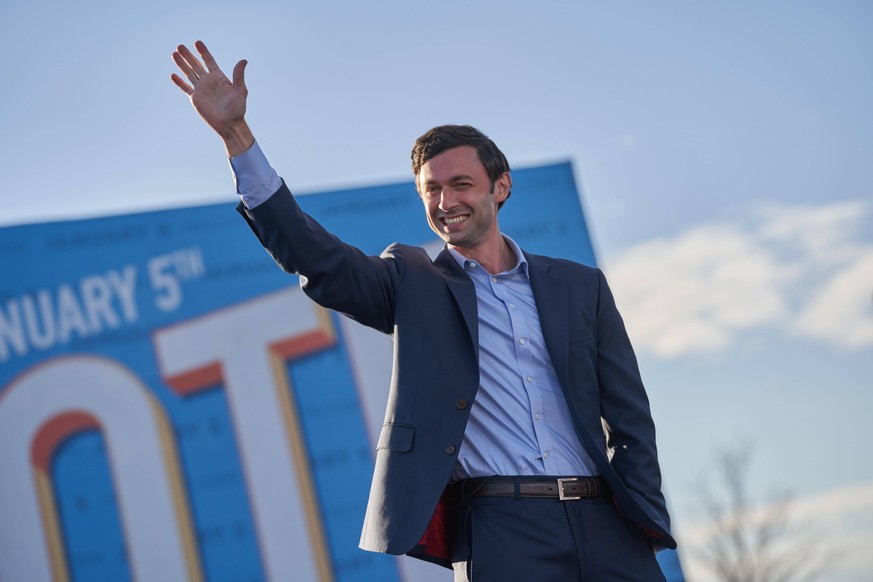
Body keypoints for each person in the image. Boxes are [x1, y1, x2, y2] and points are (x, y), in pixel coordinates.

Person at [171, 40, 676, 581]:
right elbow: (313, 256)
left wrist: (640, 510)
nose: (445, 202)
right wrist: (237, 138)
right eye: (431, 190)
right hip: (502, 529)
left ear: (500, 187)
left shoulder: (580, 286)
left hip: (608, 524)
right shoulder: (411, 279)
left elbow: (629, 416)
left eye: (461, 184)